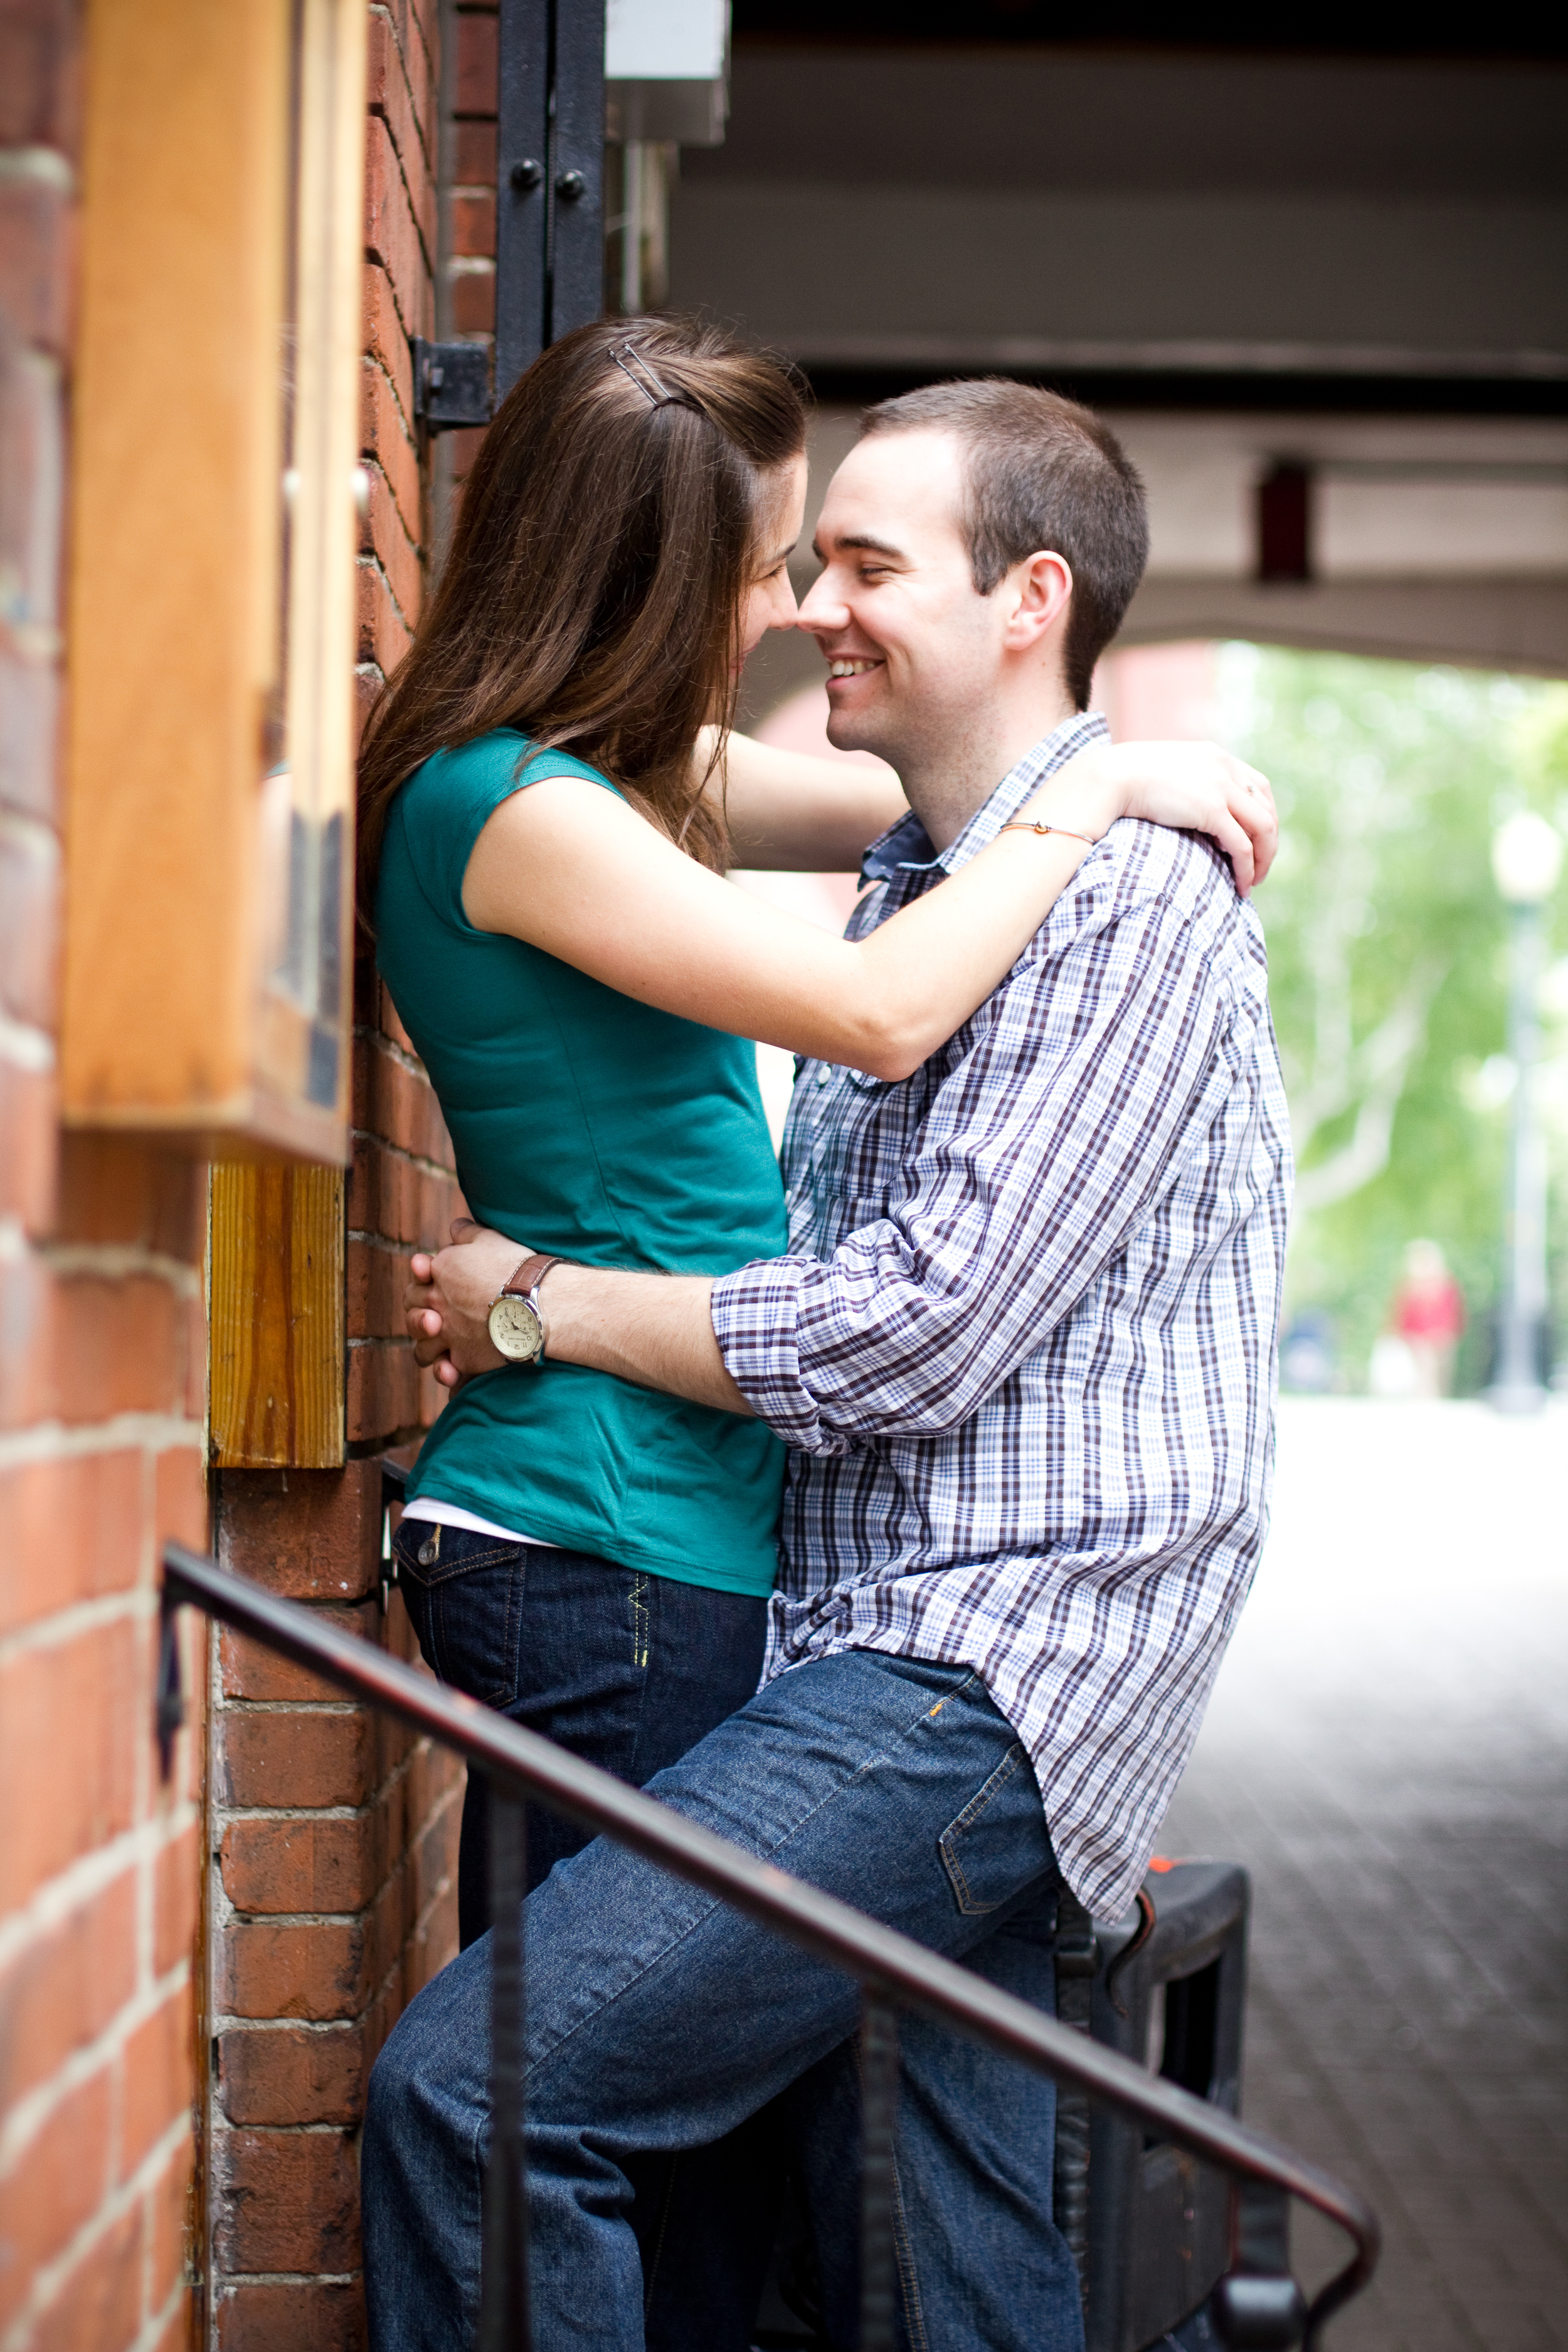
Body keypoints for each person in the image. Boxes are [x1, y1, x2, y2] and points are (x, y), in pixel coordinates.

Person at [366, 373, 1291, 2352]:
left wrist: (547, 1302)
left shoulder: (1114, 907)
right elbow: (880, 942)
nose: (801, 605)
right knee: (936, 2257)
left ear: (1027, 598)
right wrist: (1080, 779)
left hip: (977, 1661)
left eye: (859, 562)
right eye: (784, 560)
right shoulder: (870, 877)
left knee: (494, 2094)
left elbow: (915, 1321)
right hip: (823, 1621)